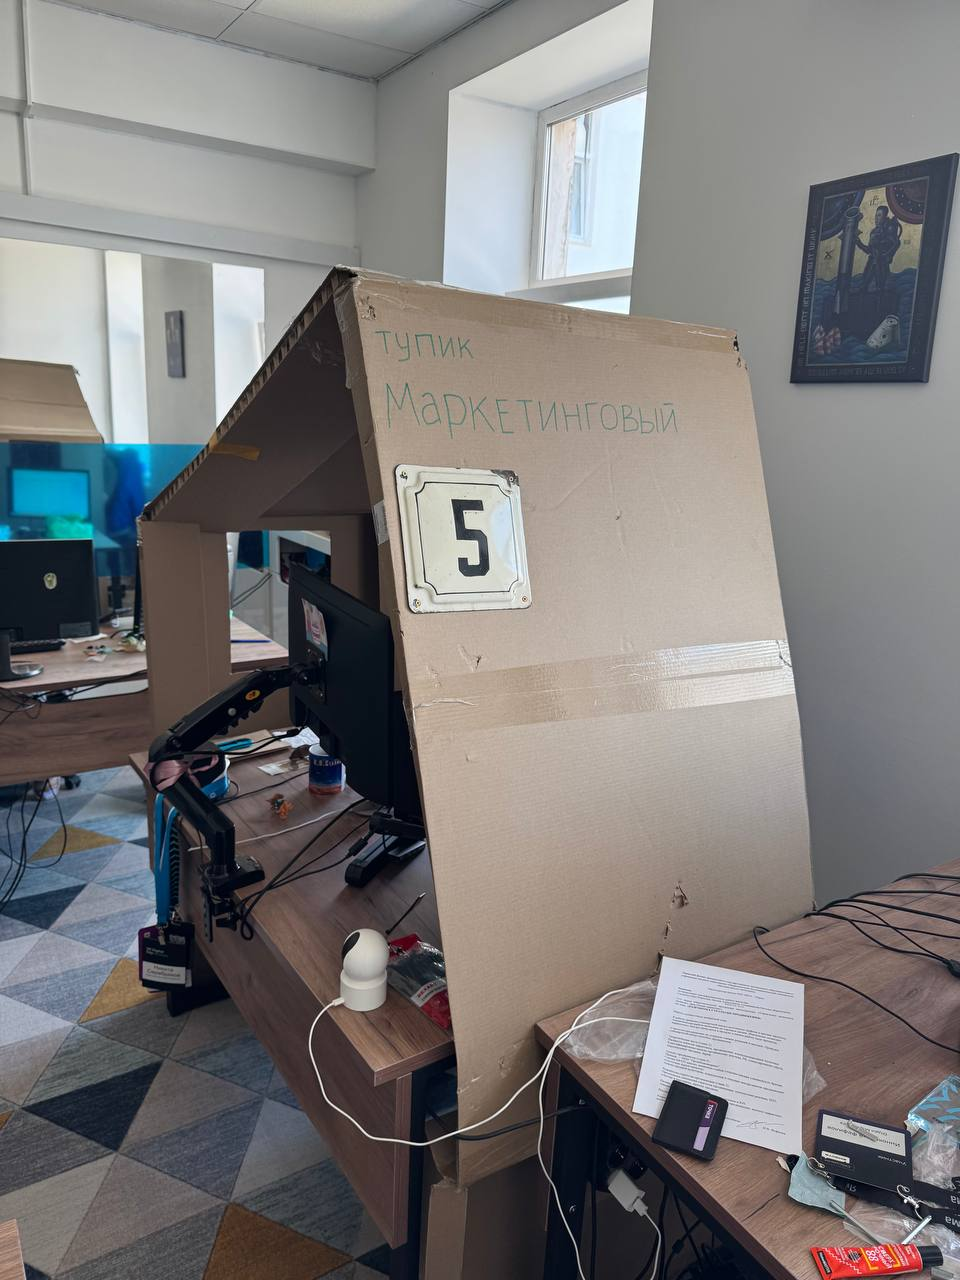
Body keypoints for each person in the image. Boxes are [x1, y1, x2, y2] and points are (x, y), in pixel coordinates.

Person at [856, 204, 902, 295]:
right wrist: (859, 243)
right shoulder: (873, 232)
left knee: (881, 288)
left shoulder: (889, 229)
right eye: (876, 215)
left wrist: (888, 255)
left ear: (885, 217)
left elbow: (897, 243)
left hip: (881, 263)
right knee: (864, 286)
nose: (876, 218)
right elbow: (869, 250)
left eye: (879, 215)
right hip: (872, 261)